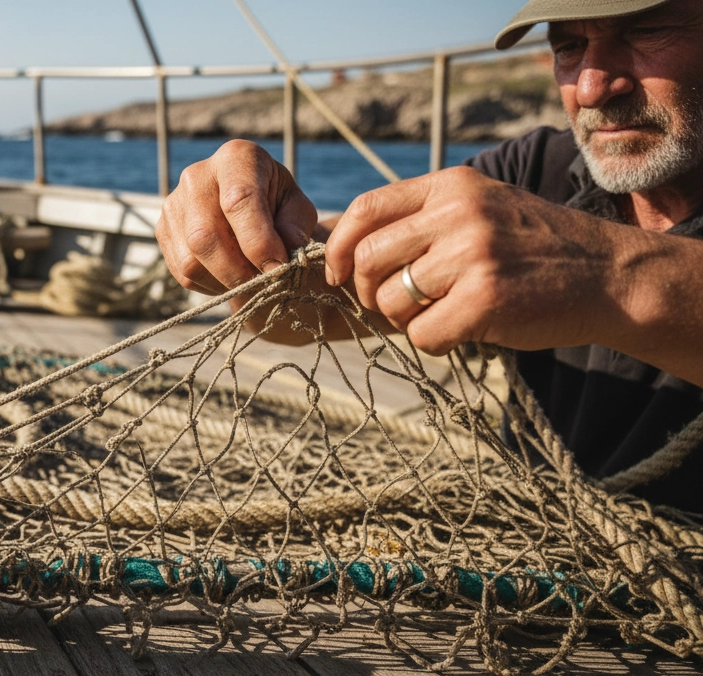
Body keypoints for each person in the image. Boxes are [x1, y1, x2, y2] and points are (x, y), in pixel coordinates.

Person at [155, 0, 703, 511]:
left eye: (646, 31)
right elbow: (307, 312)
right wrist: (249, 243)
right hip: (548, 557)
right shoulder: (533, 170)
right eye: (567, 47)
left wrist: (603, 276)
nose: (590, 86)